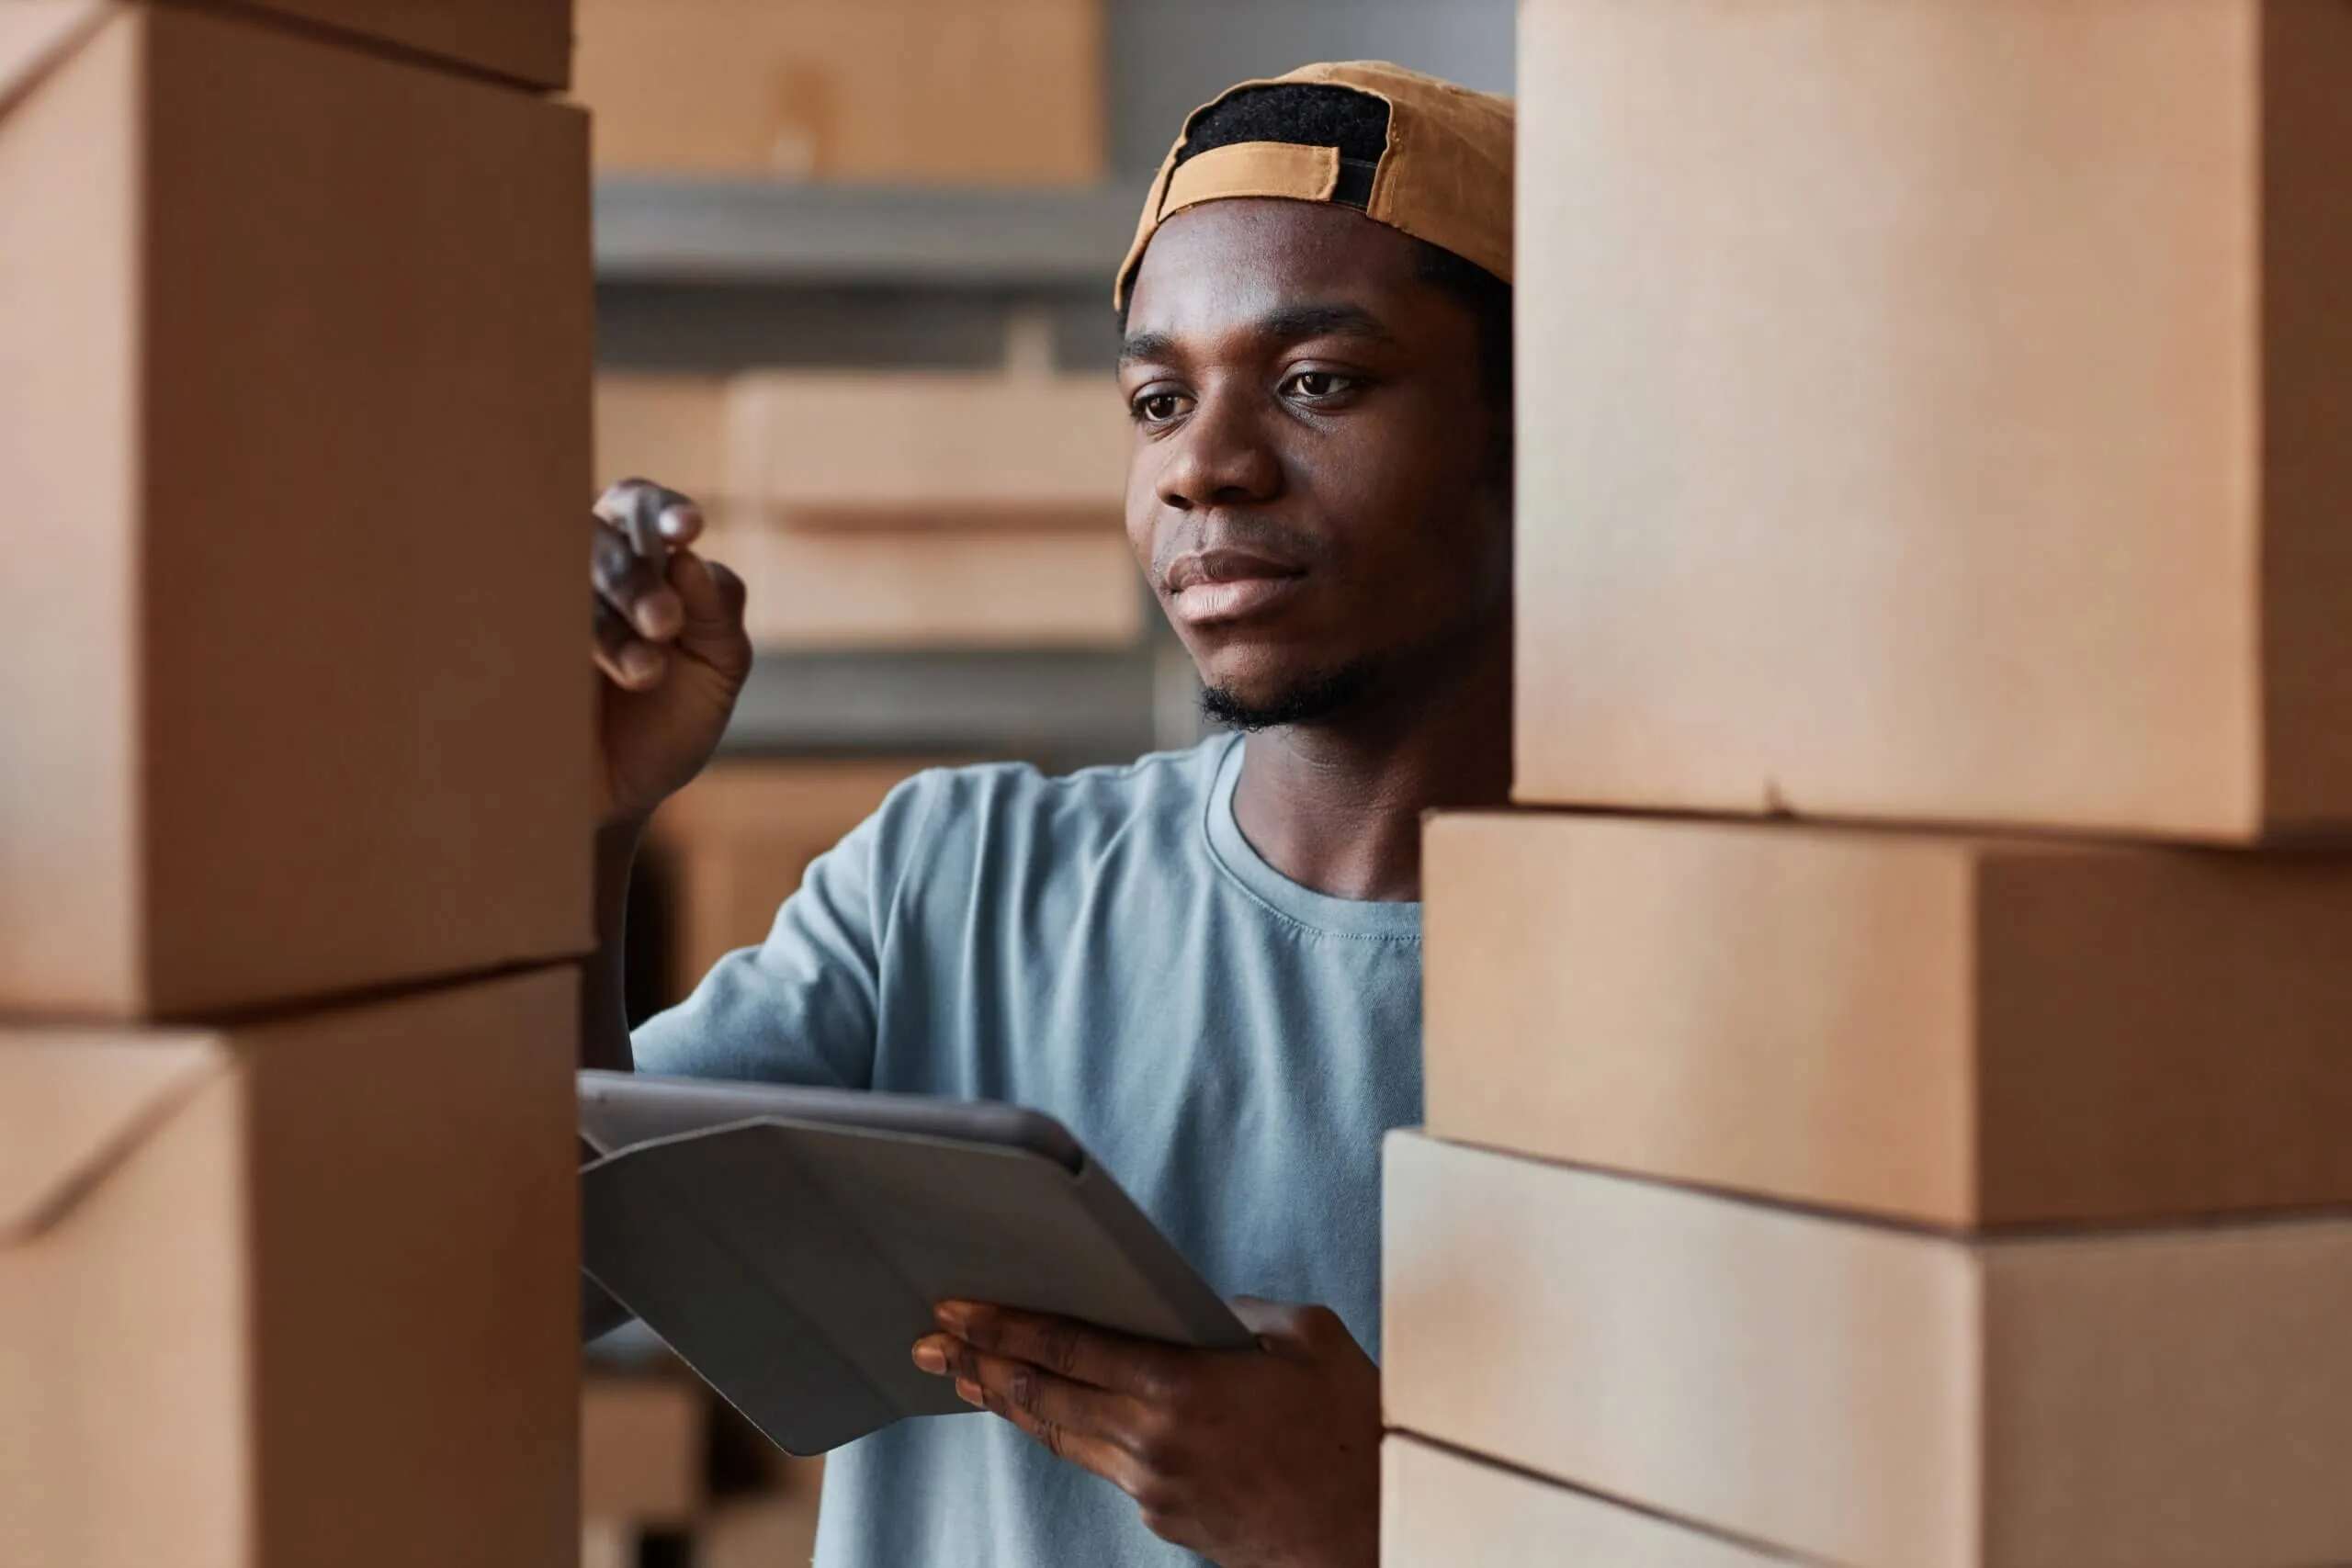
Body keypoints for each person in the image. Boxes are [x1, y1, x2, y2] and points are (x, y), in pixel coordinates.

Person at [584, 62, 1515, 1568]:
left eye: (1319, 382)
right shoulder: (947, 884)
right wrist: (581, 825)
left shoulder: (1717, 993)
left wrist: (1391, 1533)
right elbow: (527, 1263)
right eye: (1159, 401)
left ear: (1535, 431)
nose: (1203, 466)